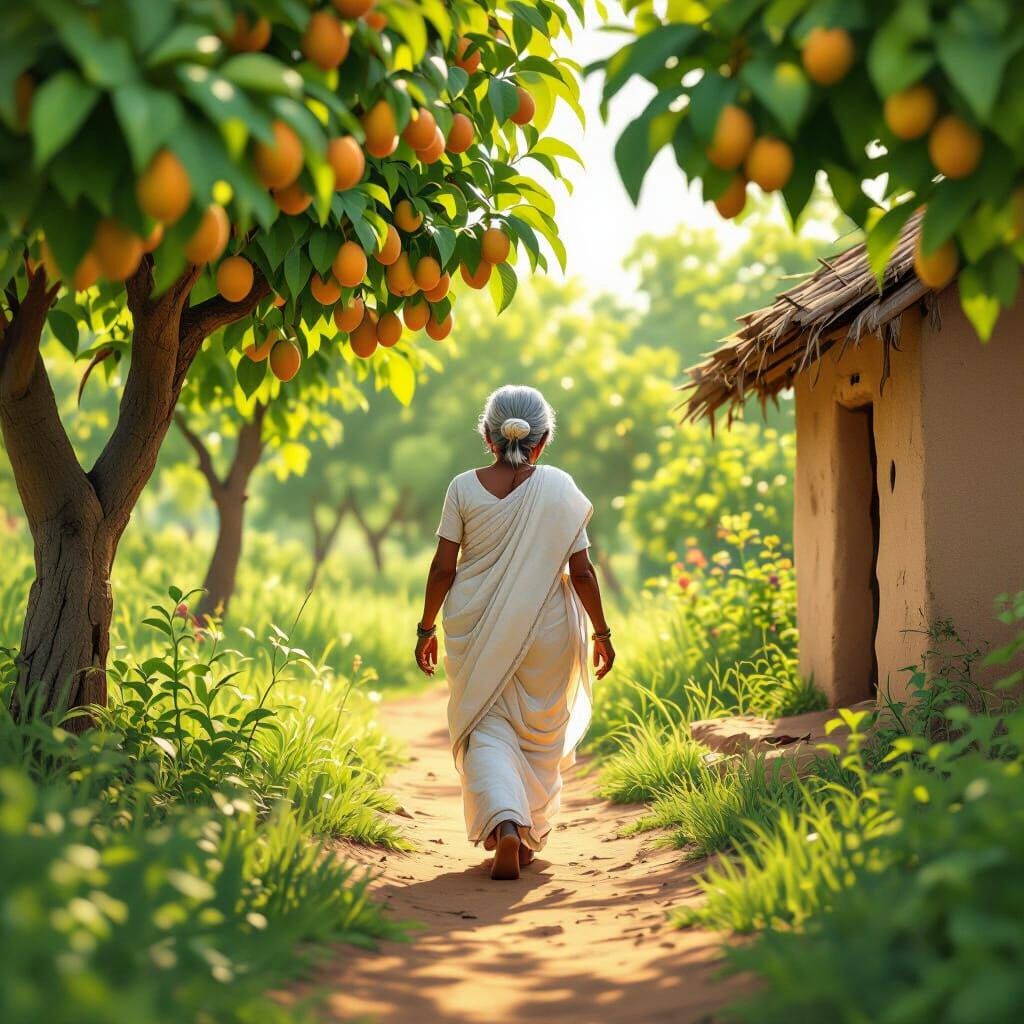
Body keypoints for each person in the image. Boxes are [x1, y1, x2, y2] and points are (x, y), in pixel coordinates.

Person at [414, 384, 615, 880]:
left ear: (487, 436)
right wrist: (602, 633)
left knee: (485, 724)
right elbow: (583, 571)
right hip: (546, 631)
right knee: (536, 736)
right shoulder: (559, 488)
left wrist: (425, 627)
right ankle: (524, 829)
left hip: (474, 625)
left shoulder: (462, 487)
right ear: (542, 441)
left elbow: (443, 569)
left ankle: (504, 822)